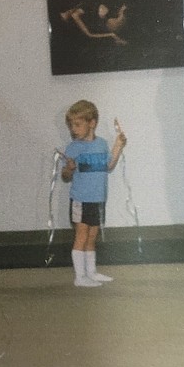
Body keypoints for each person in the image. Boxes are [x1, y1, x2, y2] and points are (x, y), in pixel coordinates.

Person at [61, 100, 126, 287]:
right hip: (81, 199)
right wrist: (70, 168)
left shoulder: (102, 144)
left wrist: (118, 145)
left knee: (92, 237)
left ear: (92, 123)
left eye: (77, 124)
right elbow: (65, 175)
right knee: (81, 236)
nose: (73, 129)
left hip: (98, 199)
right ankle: (80, 277)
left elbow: (109, 165)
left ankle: (92, 272)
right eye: (71, 125)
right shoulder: (73, 148)